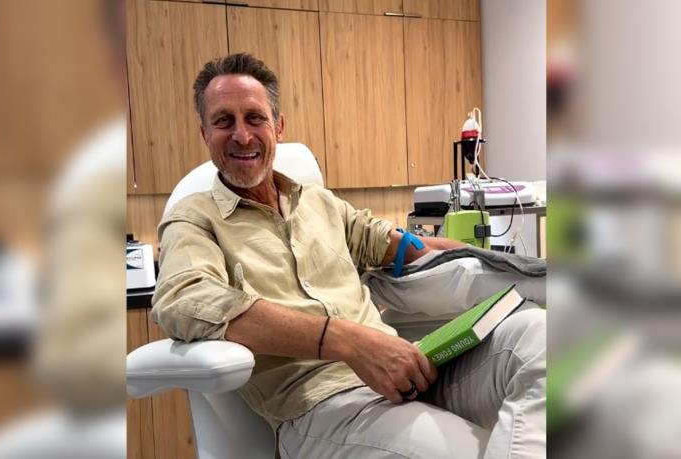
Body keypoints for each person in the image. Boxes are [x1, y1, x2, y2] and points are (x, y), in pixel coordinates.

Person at [152, 53, 545, 459]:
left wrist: (508, 264)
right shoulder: (194, 219)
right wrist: (347, 341)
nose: (242, 135)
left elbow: (406, 247)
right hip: (323, 406)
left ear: (278, 126)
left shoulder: (320, 204)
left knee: (541, 336)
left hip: (407, 370)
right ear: (204, 133)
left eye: (254, 118)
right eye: (223, 121)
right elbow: (185, 299)